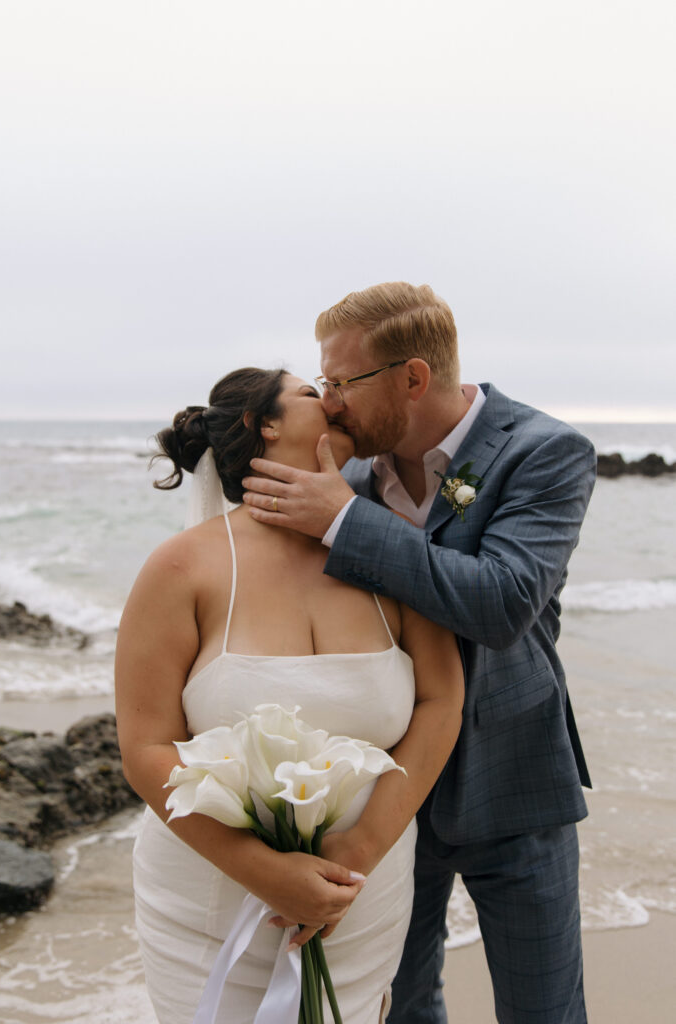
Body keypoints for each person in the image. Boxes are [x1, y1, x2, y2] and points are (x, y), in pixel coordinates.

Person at [241, 282, 596, 1023]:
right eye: (324, 383)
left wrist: (343, 522)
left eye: (342, 382)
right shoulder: (343, 475)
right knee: (398, 1004)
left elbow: (501, 602)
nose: (330, 401)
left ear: (411, 377)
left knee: (544, 1010)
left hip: (514, 780)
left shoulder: (545, 451)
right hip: (385, 790)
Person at [115, 366, 464, 1024]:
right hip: (209, 901)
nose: (335, 400)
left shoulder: (391, 554)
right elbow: (144, 746)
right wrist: (262, 871)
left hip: (362, 895)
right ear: (263, 425)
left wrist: (358, 850)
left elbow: (439, 703)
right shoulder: (181, 567)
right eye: (312, 392)